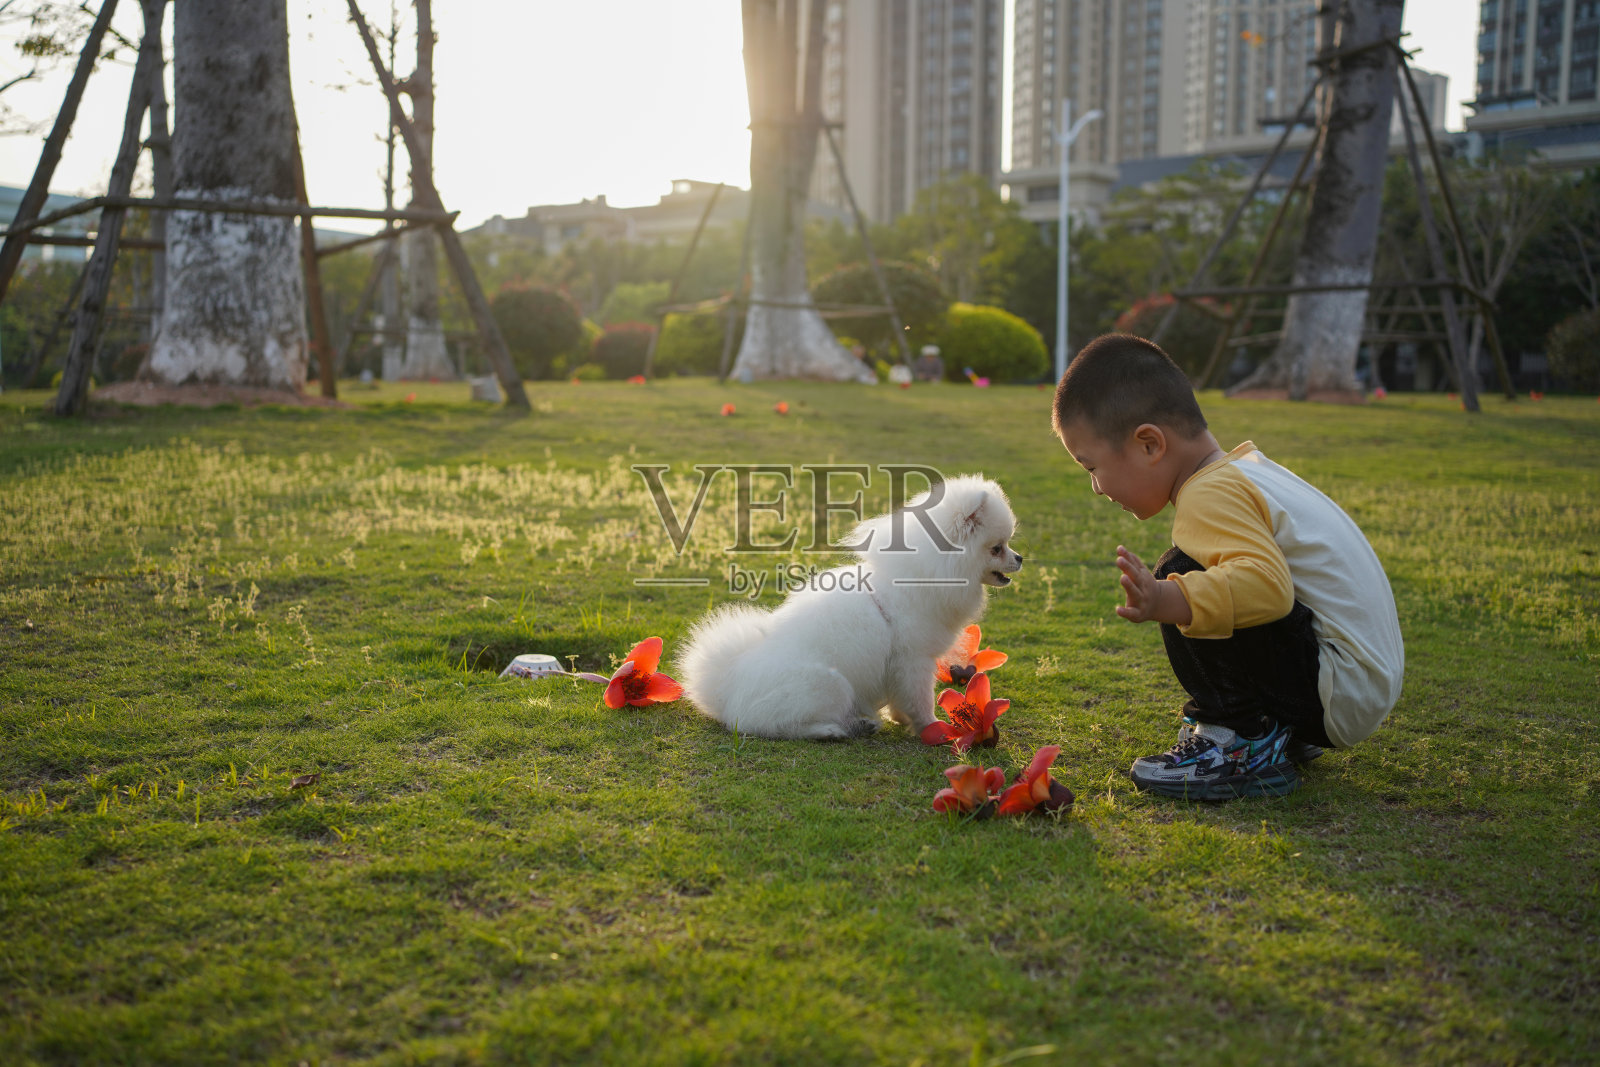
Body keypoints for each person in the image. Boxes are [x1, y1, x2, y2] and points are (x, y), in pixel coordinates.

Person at [1050, 334, 1403, 799]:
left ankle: (1241, 739)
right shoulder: (1249, 471)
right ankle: (1275, 729)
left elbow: (1268, 589)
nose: (1096, 487)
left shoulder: (1207, 492)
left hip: (1333, 692)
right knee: (1195, 570)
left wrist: (1167, 598)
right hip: (1356, 685)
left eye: (1090, 466)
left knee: (1180, 568)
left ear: (1150, 444)